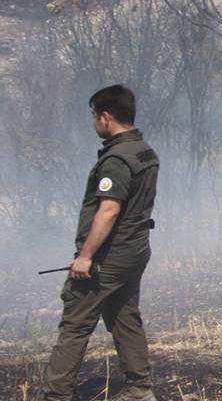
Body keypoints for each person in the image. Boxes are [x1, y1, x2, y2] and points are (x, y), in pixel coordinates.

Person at [42, 85, 159, 401]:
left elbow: (108, 210)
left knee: (75, 325)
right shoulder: (144, 150)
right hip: (134, 250)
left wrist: (85, 256)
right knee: (124, 316)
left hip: (108, 256)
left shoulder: (117, 159)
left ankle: (56, 395)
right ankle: (139, 389)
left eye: (95, 116)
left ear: (106, 117)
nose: (94, 123)